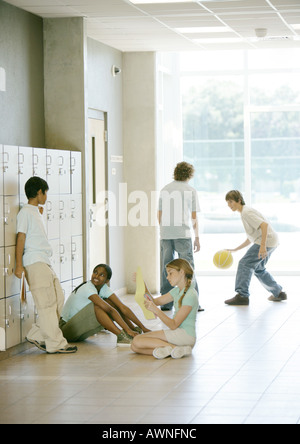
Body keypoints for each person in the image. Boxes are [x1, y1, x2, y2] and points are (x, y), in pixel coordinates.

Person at [15, 176, 77, 354]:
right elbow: (21, 237)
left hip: (44, 262)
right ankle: (56, 344)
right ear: (38, 193)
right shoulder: (25, 213)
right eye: (45, 193)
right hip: (34, 262)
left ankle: (37, 334)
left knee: (58, 299)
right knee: (47, 304)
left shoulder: (35, 211)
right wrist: (19, 265)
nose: (46, 197)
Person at [60, 264, 151, 346]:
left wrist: (143, 328)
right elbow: (110, 310)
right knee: (98, 306)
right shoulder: (87, 287)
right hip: (66, 331)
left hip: (79, 331)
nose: (96, 276)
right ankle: (121, 336)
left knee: (112, 303)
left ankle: (134, 330)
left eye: (102, 275)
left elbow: (122, 307)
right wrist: (126, 329)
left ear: (107, 280)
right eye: (95, 272)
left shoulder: (103, 287)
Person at [224, 190, 287, 306]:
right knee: (258, 269)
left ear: (239, 200)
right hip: (272, 241)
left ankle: (242, 296)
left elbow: (264, 225)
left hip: (266, 242)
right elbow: (251, 237)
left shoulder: (246, 212)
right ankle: (278, 293)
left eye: (231, 202)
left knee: (244, 263)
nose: (229, 205)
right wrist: (236, 249)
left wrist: (262, 246)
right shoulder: (244, 212)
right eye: (227, 203)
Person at [131, 259, 198, 360]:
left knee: (137, 340)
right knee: (134, 347)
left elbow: (173, 324)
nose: (167, 277)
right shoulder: (177, 291)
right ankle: (173, 351)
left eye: (170, 273)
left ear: (182, 272)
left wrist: (156, 310)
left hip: (185, 335)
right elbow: (154, 301)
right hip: (178, 333)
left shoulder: (190, 294)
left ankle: (174, 348)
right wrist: (142, 283)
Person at [158, 161, 203, 311]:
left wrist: (164, 229)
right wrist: (197, 237)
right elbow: (194, 217)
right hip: (182, 234)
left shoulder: (165, 189)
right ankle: (192, 302)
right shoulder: (190, 190)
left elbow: (159, 214)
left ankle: (166, 302)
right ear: (189, 174)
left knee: (167, 267)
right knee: (188, 268)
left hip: (166, 234)